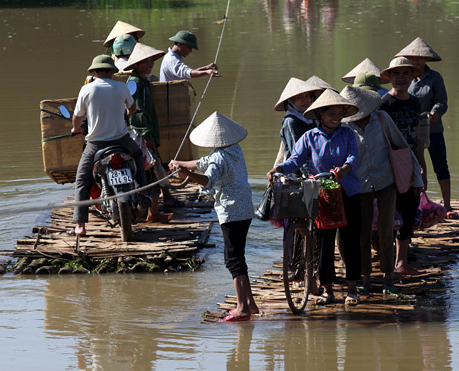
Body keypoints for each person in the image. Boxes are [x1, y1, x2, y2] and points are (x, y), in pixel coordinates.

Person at [267, 89, 361, 306]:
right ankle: (327, 290)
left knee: (350, 241)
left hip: (348, 191)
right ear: (320, 114)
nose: (336, 117)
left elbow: (353, 157)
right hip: (321, 194)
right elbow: (295, 160)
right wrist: (278, 169)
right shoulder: (309, 137)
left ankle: (352, 290)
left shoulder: (348, 134)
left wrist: (345, 169)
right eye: (331, 114)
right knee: (324, 242)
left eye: (340, 113)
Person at [169, 113, 259, 322]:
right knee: (239, 256)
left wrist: (187, 174)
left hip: (231, 211)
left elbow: (207, 179)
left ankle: (242, 307)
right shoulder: (234, 150)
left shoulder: (218, 157)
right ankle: (250, 303)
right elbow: (201, 162)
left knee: (232, 260)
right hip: (245, 208)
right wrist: (179, 164)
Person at [340, 85, 423, 294]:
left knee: (386, 232)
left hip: (386, 181)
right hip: (359, 185)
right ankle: (365, 279)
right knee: (363, 234)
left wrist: (418, 178)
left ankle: (388, 278)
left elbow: (402, 146)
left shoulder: (382, 119)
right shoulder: (345, 127)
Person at [70, 54, 147, 237]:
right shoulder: (121, 87)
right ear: (112, 71)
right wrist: (126, 115)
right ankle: (144, 194)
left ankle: (80, 225)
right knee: (137, 156)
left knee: (82, 180)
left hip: (96, 144)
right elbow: (133, 108)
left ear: (94, 72)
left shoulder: (86, 89)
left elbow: (77, 117)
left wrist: (76, 129)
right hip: (122, 141)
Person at [396, 37, 458, 218]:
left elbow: (442, 102)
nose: (416, 61)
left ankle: (447, 205)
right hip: (410, 131)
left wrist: (434, 113)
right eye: (413, 58)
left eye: (420, 58)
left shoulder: (434, 78)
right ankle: (416, 205)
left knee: (440, 165)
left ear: (426, 60)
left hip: (433, 128)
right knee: (416, 168)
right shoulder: (404, 77)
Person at [379, 57, 425, 275]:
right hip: (389, 164)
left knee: (409, 209)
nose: (401, 78)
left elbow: (417, 138)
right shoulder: (384, 105)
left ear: (412, 77)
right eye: (396, 74)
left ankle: (401, 262)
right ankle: (385, 260)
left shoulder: (415, 102)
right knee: (389, 213)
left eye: (405, 74)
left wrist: (421, 167)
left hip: (410, 164)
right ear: (389, 78)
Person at [123, 42, 175, 223]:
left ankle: (152, 211)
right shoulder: (134, 83)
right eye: (145, 61)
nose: (150, 64)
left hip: (146, 133)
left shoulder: (142, 81)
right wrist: (147, 136)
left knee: (154, 169)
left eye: (151, 60)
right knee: (152, 170)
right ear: (136, 64)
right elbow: (135, 112)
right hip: (140, 135)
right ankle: (152, 214)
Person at [273, 77, 322, 170]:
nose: (304, 100)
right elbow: (297, 153)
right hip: (296, 172)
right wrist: (308, 173)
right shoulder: (291, 121)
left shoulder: (313, 117)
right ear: (291, 101)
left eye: (307, 96)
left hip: (315, 167)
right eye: (299, 97)